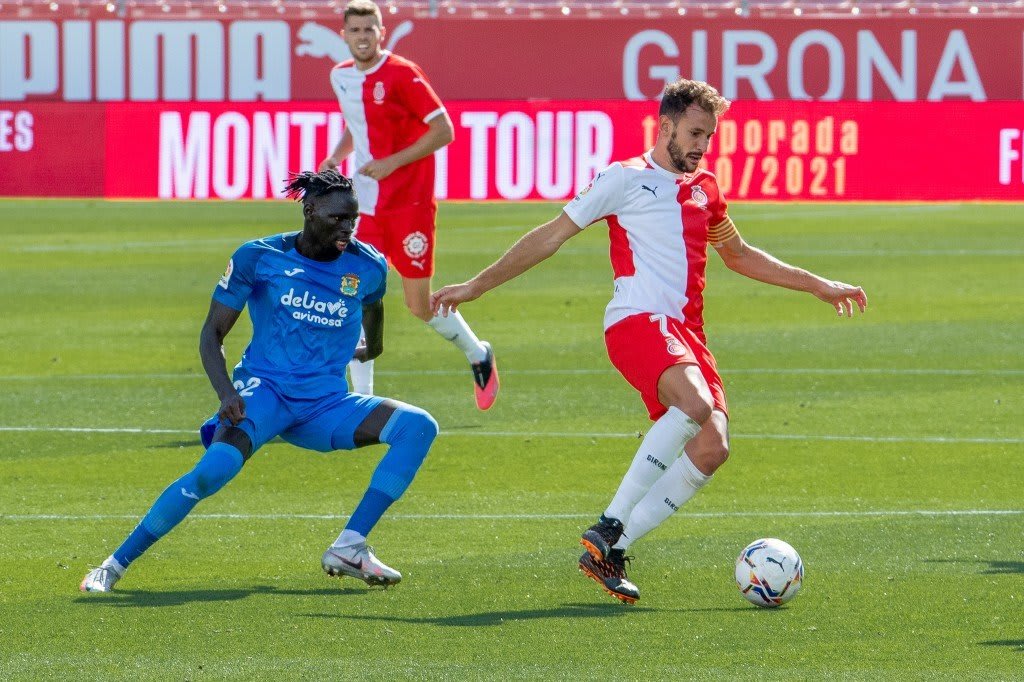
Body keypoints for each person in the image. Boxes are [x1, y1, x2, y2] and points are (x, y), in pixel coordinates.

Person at [430, 79, 867, 605]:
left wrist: (817, 284)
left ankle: (609, 551)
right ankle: (609, 525)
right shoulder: (623, 178)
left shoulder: (706, 188)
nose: (702, 145)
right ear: (665, 126)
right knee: (694, 404)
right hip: (638, 322)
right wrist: (476, 285)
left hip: (687, 335)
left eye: (709, 135)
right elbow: (551, 235)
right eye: (694, 133)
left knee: (712, 447)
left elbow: (741, 255)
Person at [81, 170, 438, 593]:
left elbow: (374, 306)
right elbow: (212, 334)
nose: (347, 228)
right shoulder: (260, 257)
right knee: (211, 472)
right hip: (263, 396)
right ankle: (113, 565)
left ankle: (350, 546)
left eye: (352, 220)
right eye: (337, 219)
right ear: (309, 210)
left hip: (325, 406)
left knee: (418, 426)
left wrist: (372, 347)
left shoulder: (368, 265)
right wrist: (226, 392)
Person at [318, 0, 498, 410]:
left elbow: (444, 130)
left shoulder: (402, 74)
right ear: (343, 35)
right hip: (364, 206)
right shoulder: (341, 76)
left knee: (419, 305)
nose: (363, 37)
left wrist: (391, 163)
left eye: (370, 30)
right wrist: (335, 157)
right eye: (355, 30)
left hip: (410, 205)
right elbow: (357, 123)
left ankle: (477, 353)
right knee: (352, 291)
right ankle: (359, 402)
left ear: (382, 32)